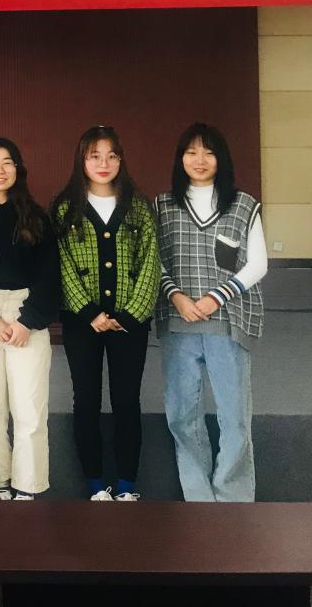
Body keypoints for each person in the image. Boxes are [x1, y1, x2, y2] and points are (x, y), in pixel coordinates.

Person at [156, 122, 266, 502]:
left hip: (228, 321)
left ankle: (233, 499)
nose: (200, 160)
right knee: (182, 415)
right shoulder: (162, 206)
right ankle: (199, 498)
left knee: (234, 415)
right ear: (180, 159)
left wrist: (215, 298)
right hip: (179, 321)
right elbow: (154, 261)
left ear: (222, 159)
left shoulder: (244, 204)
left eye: (208, 152)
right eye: (191, 152)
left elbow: (258, 264)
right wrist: (176, 297)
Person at [51, 125, 160, 502]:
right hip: (82, 323)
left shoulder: (139, 207)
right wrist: (89, 312)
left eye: (112, 156)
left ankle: (127, 485)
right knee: (86, 400)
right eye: (94, 156)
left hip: (130, 324)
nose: (103, 163)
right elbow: (61, 264)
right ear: (81, 160)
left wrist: (129, 315)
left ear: (121, 160)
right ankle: (95, 484)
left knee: (127, 400)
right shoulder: (65, 208)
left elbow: (150, 264)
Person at [0, 137, 59, 501]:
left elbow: (50, 275)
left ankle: (26, 487)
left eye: (7, 162)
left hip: (26, 314)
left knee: (29, 409)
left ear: (18, 168)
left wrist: (27, 321)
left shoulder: (37, 216)